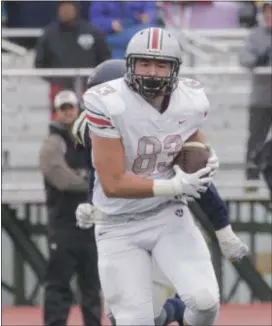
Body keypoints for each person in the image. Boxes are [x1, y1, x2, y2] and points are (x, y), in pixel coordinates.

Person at [73, 58, 249, 325]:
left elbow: (196, 177)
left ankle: (172, 312)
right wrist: (90, 202)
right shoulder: (91, 126)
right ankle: (167, 313)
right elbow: (104, 173)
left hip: (164, 214)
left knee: (203, 302)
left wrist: (223, 228)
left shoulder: (160, 118)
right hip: (118, 225)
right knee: (132, 319)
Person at [39, 90, 101, 326]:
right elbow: (61, 179)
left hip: (90, 227)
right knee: (58, 285)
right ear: (57, 112)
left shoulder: (88, 140)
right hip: (63, 226)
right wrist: (92, 184)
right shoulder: (53, 143)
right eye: (63, 108)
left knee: (92, 287)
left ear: (78, 109)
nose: (67, 112)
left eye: (71, 108)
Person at [34, 0, 111, 118]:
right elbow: (39, 63)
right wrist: (55, 80)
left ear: (76, 8)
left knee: (89, 122)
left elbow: (105, 59)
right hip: (59, 89)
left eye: (68, 6)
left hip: (88, 89)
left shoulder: (92, 31)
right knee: (60, 123)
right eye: (62, 6)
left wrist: (93, 82)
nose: (65, 10)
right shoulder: (49, 34)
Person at [239, 0, 272, 187]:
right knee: (256, 140)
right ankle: (251, 180)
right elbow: (244, 58)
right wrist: (259, 57)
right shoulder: (256, 36)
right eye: (267, 13)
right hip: (262, 99)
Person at [89, 1, 158, 59]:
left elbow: (150, 12)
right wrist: (110, 24)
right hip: (113, 38)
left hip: (137, 32)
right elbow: (94, 20)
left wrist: (147, 17)